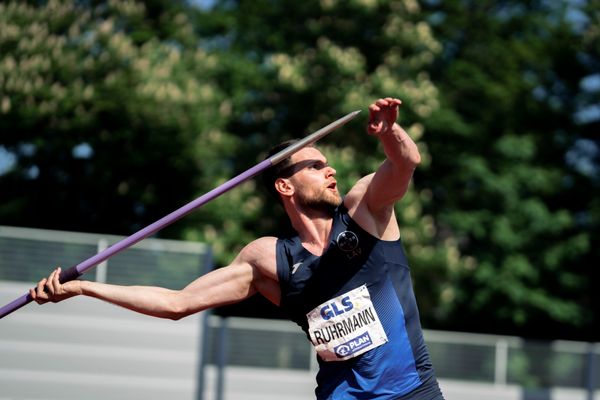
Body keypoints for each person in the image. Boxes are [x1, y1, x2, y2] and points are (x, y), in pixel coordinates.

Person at [31, 97, 444, 399]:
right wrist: (86, 288)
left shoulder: (365, 209)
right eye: (315, 166)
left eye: (327, 162)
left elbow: (404, 163)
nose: (330, 168)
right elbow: (177, 303)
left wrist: (390, 131)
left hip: (414, 393)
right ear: (285, 185)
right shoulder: (268, 259)